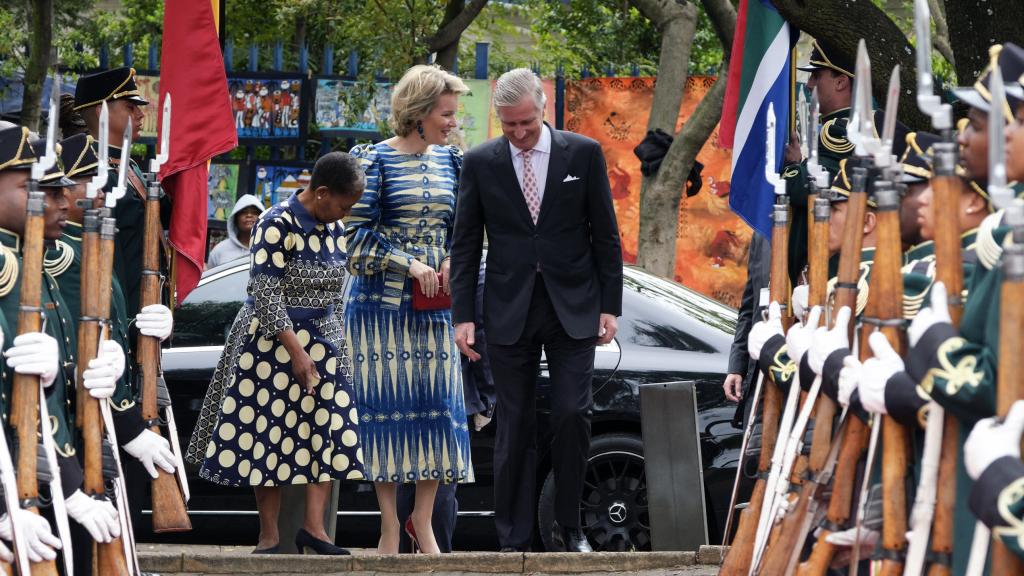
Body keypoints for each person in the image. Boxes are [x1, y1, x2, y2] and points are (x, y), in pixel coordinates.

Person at [450, 67, 624, 553]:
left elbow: (605, 234)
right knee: (515, 424)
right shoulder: (480, 161)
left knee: (572, 414)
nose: (519, 134)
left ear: (544, 110)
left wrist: (611, 305)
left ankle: (569, 529)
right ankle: (514, 539)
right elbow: (464, 243)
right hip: (507, 309)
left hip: (573, 307)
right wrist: (463, 315)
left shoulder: (583, 154)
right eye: (509, 126)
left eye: (526, 123)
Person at [193, 152, 367, 555]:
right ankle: (269, 535)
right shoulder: (275, 222)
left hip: (323, 336)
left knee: (332, 427)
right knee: (266, 432)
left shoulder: (335, 226)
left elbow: (336, 291)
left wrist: (334, 345)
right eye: (344, 203)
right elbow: (265, 291)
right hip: (270, 340)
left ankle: (314, 528)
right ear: (321, 193)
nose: (347, 211)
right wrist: (297, 352)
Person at [344, 64, 473, 556]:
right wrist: (408, 262)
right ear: (418, 114)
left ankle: (422, 519)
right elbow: (354, 242)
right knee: (383, 411)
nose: (452, 122)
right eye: (445, 114)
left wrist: (444, 258)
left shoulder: (452, 163)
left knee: (438, 410)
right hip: (378, 311)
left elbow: (462, 232)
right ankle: (389, 528)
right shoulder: (372, 161)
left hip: (433, 308)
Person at [208, 194, 264, 268]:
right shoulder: (219, 251)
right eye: (243, 212)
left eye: (254, 212)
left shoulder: (270, 248)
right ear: (235, 219)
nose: (249, 215)